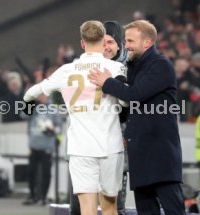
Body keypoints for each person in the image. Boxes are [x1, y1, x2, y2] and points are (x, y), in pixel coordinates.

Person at [23, 20, 126, 215]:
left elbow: (31, 93)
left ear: (82, 43)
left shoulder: (66, 70)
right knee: (110, 208)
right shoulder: (115, 69)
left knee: (86, 210)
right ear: (104, 42)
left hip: (80, 148)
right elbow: (126, 102)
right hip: (111, 147)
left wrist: (27, 104)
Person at [89, 20, 186, 215]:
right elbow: (128, 108)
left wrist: (107, 82)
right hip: (139, 153)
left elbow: (135, 95)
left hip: (161, 154)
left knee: (174, 211)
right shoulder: (134, 67)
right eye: (126, 40)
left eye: (131, 40)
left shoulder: (161, 65)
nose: (127, 45)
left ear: (148, 42)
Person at [68, 20, 129, 215]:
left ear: (119, 45)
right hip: (85, 148)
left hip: (114, 148)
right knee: (79, 206)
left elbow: (133, 105)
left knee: (113, 204)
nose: (106, 46)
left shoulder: (127, 71)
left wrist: (126, 134)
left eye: (110, 42)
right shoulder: (81, 69)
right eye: (103, 41)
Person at [23, 94, 61, 206]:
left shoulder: (53, 108)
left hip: (47, 146)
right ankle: (32, 195)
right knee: (31, 172)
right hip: (34, 145)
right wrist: (30, 104)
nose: (41, 97)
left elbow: (59, 126)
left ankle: (43, 197)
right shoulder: (34, 107)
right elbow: (23, 116)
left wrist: (53, 130)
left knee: (46, 173)